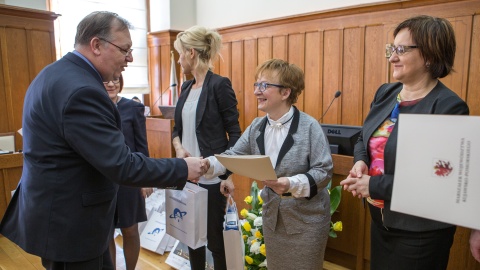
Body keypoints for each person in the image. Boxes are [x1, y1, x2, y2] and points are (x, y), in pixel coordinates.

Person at [0, 11, 206, 270]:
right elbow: (122, 164)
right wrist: (183, 168)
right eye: (125, 50)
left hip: (55, 216)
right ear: (96, 45)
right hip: (73, 224)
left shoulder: (53, 74)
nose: (130, 59)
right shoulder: (83, 90)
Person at [340, 15, 469, 270]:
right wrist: (360, 163)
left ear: (430, 55)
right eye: (392, 49)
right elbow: (363, 138)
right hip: (381, 221)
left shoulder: (448, 107)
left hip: (420, 232)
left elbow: (438, 182)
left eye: (401, 49)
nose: (392, 57)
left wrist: (373, 185)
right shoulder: (386, 93)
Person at [205, 58, 333, 269]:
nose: (256, 91)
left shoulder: (310, 126)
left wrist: (290, 184)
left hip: (307, 222)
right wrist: (206, 165)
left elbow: (324, 171)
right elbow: (233, 156)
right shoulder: (257, 126)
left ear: (285, 93)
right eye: (256, 84)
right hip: (273, 220)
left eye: (264, 85)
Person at [171, 25, 241, 270]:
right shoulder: (185, 88)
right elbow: (176, 130)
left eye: (180, 54)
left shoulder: (219, 85)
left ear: (191, 53)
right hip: (188, 176)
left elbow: (235, 134)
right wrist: (179, 149)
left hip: (212, 178)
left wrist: (227, 173)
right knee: (192, 238)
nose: (178, 60)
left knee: (214, 241)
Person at [105, 74, 153, 270]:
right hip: (103, 179)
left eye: (116, 80)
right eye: (106, 81)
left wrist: (146, 178)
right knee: (106, 232)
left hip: (129, 177)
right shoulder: (92, 107)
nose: (111, 84)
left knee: (130, 229)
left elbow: (142, 145)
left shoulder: (133, 108)